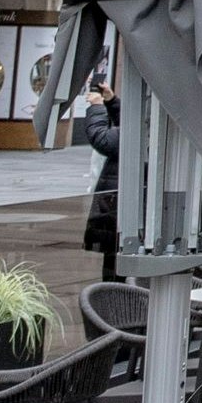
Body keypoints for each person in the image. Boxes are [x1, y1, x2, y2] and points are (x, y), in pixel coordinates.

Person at [78, 83, 121, 282]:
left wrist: (97, 108)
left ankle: (114, 298)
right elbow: (133, 123)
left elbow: (104, 140)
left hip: (117, 208)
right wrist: (112, 102)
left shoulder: (151, 120)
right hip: (119, 207)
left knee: (115, 267)